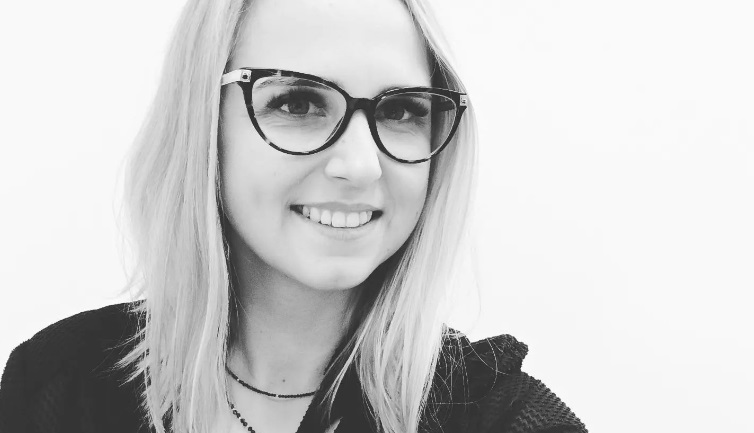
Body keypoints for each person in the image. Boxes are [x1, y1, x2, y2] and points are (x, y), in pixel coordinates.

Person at [0, 0, 587, 432]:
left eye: (403, 111)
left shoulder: (498, 416)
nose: (361, 166)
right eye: (299, 103)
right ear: (204, 125)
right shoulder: (58, 386)